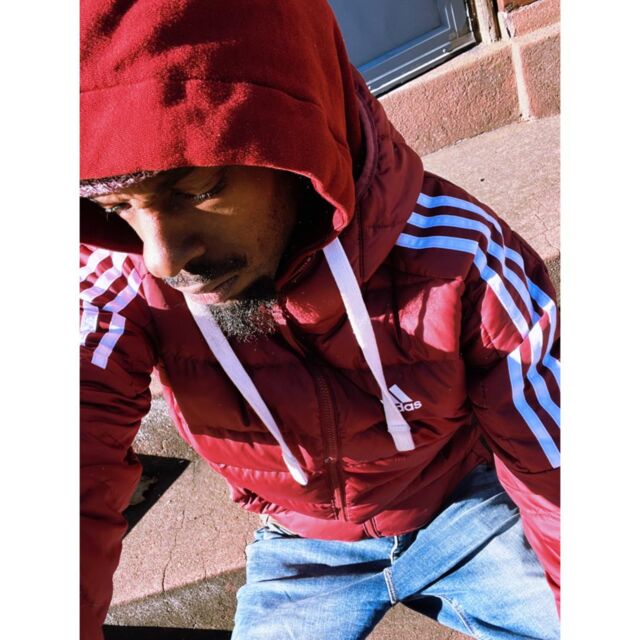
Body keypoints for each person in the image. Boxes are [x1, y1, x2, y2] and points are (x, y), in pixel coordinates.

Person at [80, 1, 560, 639]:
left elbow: (560, 470)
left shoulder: (457, 252)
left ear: (296, 140)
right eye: (119, 207)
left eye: (198, 190)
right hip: (301, 547)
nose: (162, 258)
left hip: (461, 505)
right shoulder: (121, 278)